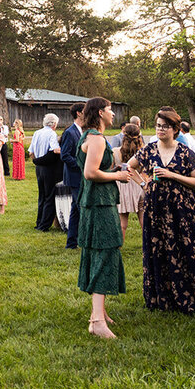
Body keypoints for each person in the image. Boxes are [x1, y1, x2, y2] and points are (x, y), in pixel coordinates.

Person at [129, 108, 195, 320]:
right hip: (156, 209)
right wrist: (143, 184)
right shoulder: (148, 150)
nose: (160, 129)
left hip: (183, 210)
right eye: (158, 125)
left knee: (190, 251)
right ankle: (164, 298)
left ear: (175, 129)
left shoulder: (185, 152)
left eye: (165, 126)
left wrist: (172, 175)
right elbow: (130, 167)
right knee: (159, 250)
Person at [76, 97, 133, 339]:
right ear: (100, 113)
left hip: (94, 203)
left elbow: (95, 168)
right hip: (100, 205)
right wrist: (118, 177)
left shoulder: (87, 136)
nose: (113, 114)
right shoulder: (97, 139)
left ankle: (101, 310)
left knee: (97, 252)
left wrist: (113, 171)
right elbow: (90, 173)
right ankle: (96, 321)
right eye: (110, 110)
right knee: (105, 252)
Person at [60, 102, 87, 250]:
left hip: (82, 177)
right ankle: (84, 241)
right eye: (85, 111)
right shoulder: (70, 132)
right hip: (74, 176)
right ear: (78, 113)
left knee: (75, 211)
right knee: (81, 208)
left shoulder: (83, 131)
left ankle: (71, 243)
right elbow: (64, 155)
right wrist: (82, 165)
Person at [29, 113, 62, 232]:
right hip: (48, 168)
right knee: (50, 196)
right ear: (54, 124)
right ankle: (44, 224)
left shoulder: (37, 133)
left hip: (39, 168)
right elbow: (55, 150)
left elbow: (30, 152)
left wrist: (36, 162)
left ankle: (39, 222)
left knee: (42, 195)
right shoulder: (52, 134)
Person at [115, 124, 144, 240]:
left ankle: (119, 244)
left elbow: (113, 170)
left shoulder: (116, 152)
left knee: (123, 221)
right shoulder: (143, 152)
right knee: (143, 219)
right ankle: (148, 245)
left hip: (123, 185)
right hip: (139, 184)